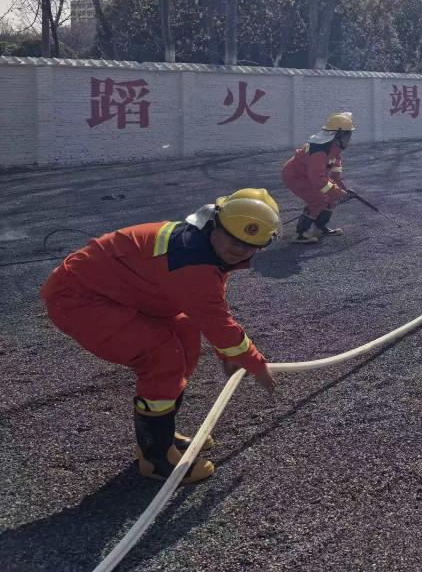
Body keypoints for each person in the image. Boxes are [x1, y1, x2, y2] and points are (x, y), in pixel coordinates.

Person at [40, 189, 280, 484]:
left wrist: (228, 353)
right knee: (163, 357)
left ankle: (162, 435)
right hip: (80, 300)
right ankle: (156, 459)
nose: (238, 249)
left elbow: (206, 312)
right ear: (215, 224)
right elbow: (218, 322)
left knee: (185, 334)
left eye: (249, 245)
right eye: (232, 238)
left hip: (121, 294)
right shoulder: (193, 262)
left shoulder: (203, 245)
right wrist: (254, 364)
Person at [282, 112, 354, 243]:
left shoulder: (335, 147)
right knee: (319, 199)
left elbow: (335, 173)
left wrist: (343, 189)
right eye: (347, 135)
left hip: (312, 175)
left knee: (331, 197)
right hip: (295, 176)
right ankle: (300, 234)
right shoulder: (319, 151)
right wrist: (337, 192)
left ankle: (320, 229)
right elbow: (317, 180)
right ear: (336, 135)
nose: (349, 139)